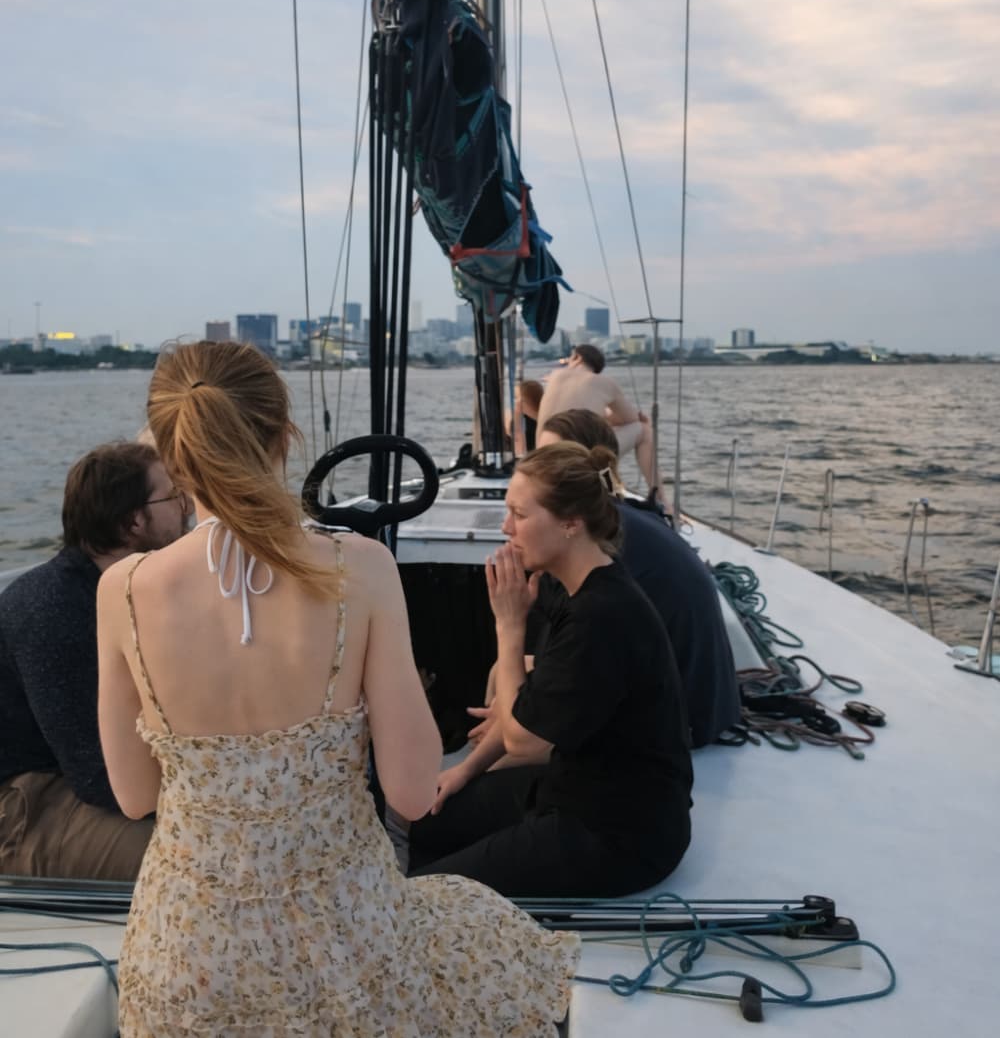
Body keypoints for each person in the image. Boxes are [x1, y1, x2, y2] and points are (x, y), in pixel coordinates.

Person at [97, 340, 577, 1035]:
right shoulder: (362, 568)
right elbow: (413, 794)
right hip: (343, 950)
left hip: (187, 962)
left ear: (173, 456)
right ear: (283, 436)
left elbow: (137, 797)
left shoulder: (122, 591)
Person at [408, 441, 692, 897]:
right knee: (423, 820)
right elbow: (536, 701)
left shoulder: (602, 616)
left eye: (519, 515)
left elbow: (522, 737)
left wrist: (509, 623)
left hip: (618, 832)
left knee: (421, 896)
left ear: (570, 523)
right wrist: (466, 771)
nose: (506, 528)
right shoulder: (571, 586)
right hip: (568, 786)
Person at [0, 441, 186, 879]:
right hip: (26, 801)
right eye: (173, 497)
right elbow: (96, 773)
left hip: (82, 778)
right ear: (132, 522)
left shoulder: (123, 591)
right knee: (200, 859)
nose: (188, 507)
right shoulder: (52, 609)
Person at [538, 409, 741, 747]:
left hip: (676, 726)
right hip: (703, 708)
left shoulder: (593, 541)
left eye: (550, 461)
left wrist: (509, 626)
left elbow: (560, 680)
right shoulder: (625, 518)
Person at [536, 344, 659, 493]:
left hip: (542, 455)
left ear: (577, 357)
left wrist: (604, 416)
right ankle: (661, 500)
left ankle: (610, 487)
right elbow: (631, 419)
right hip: (577, 457)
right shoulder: (604, 382)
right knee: (644, 430)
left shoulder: (553, 376)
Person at [509, 377, 544, 455]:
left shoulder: (522, 420)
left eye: (516, 397)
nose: (515, 402)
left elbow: (517, 442)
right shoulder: (523, 418)